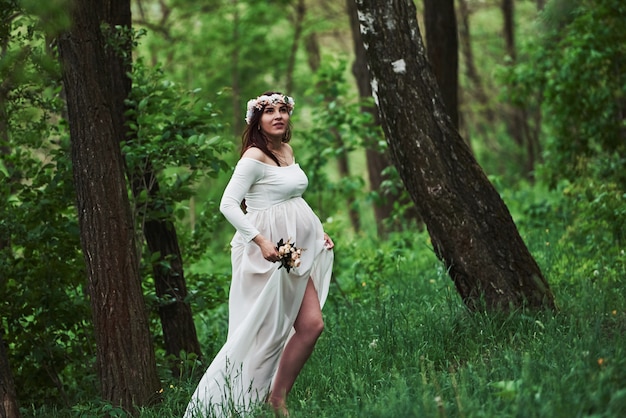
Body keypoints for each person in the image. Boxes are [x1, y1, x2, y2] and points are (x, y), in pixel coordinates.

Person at [184, 92, 334, 417]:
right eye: (269, 112)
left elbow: (292, 200)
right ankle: (225, 403)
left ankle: (276, 398)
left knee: (311, 325)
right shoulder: (254, 156)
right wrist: (261, 241)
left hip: (292, 253)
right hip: (265, 255)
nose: (278, 115)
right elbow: (227, 204)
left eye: (283, 110)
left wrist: (316, 232)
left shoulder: (286, 150)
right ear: (257, 120)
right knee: (261, 333)